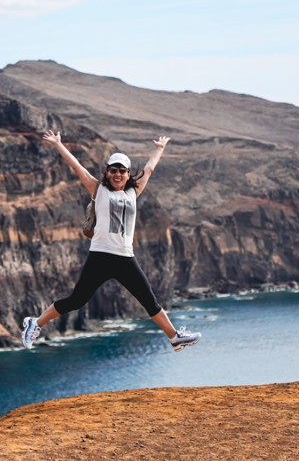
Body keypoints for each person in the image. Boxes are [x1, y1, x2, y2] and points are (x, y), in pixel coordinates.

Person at [21, 130, 202, 352]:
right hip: (100, 256)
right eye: (113, 170)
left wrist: (159, 149)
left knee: (149, 301)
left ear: (128, 174)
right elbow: (77, 166)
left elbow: (150, 169)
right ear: (107, 172)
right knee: (76, 300)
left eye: (122, 171)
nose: (117, 174)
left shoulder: (133, 192)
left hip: (125, 257)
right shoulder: (98, 189)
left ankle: (174, 337)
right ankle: (35, 323)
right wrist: (58, 144)